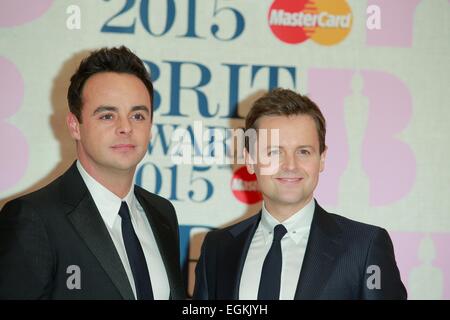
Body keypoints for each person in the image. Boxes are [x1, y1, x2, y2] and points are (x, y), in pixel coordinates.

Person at [0, 46, 185, 300]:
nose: (125, 128)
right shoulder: (33, 219)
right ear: (75, 126)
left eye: (138, 115)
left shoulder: (162, 214)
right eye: (108, 115)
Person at [193, 88, 407, 300]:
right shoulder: (217, 248)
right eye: (274, 152)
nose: (290, 166)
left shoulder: (364, 247)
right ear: (250, 160)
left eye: (303, 151)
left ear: (322, 159)